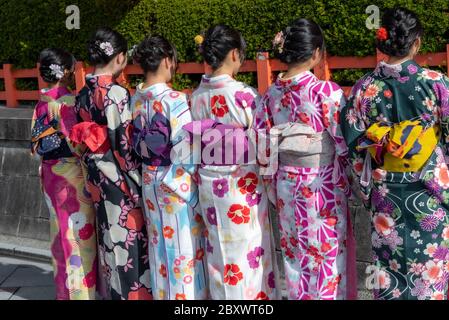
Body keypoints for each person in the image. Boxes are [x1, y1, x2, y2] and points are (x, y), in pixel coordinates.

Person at [341, 7, 449, 300]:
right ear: (417, 43)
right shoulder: (435, 83)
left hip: (385, 195)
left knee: (388, 278)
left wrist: (367, 194)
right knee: (429, 277)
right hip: (429, 194)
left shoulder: (365, 88)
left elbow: (354, 148)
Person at [254, 18, 356, 300]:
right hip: (322, 185)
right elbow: (343, 145)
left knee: (295, 256)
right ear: (315, 53)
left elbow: (263, 144)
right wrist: (350, 181)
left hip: (286, 183)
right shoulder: (327, 93)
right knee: (324, 257)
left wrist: (273, 183)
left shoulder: (269, 95)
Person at [188, 24, 279, 300]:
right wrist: (271, 179)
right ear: (235, 55)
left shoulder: (197, 96)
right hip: (242, 187)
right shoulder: (244, 95)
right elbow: (264, 144)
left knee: (219, 257)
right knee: (247, 255)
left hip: (209, 184)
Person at [70, 27, 151, 300]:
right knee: (128, 241)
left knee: (109, 241)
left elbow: (80, 138)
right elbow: (123, 145)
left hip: (95, 175)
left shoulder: (82, 93)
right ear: (118, 58)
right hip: (118, 179)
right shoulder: (115, 92)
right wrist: (139, 181)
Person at [130, 35, 208, 300]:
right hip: (175, 183)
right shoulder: (175, 99)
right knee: (183, 253)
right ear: (166, 60)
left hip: (150, 180)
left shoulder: (136, 99)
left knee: (159, 252)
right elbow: (186, 146)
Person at [31, 48, 97, 299]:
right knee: (78, 237)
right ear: (67, 71)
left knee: (60, 233)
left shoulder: (41, 102)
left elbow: (36, 145)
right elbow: (76, 144)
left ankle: (63, 291)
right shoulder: (68, 103)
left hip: (50, 174)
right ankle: (79, 293)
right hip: (71, 174)